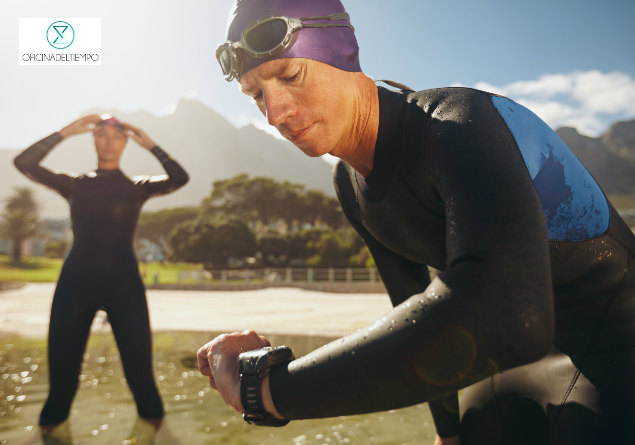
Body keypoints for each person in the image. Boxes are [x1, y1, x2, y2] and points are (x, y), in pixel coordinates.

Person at [196, 1, 635, 443]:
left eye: (289, 76)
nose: (275, 114)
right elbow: (412, 309)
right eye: (256, 96)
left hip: (613, 342)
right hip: (507, 365)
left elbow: (508, 314)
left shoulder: (458, 124)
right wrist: (447, 433)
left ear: (343, 55)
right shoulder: (349, 184)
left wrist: (268, 389)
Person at [14, 114, 189, 428]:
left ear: (125, 142)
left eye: (117, 137)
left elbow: (180, 178)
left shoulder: (137, 187)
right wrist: (66, 131)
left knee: (143, 384)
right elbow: (24, 162)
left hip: (126, 290)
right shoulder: (75, 184)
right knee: (60, 391)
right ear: (93, 139)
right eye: (102, 136)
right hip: (74, 288)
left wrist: (148, 142)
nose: (109, 142)